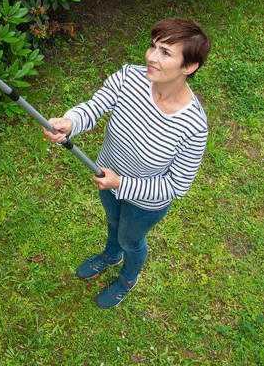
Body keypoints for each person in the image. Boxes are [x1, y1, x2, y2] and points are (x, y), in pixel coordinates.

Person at [44, 18, 211, 308]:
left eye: (165, 53)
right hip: (104, 177)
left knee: (130, 239)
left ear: (189, 67)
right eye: (153, 46)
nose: (150, 57)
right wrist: (70, 122)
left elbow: (176, 186)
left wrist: (121, 183)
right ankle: (111, 255)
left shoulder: (194, 126)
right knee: (112, 222)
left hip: (145, 203)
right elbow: (96, 106)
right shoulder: (129, 77)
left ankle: (127, 279)